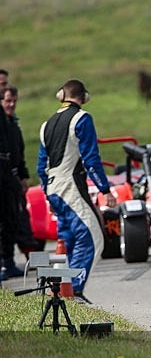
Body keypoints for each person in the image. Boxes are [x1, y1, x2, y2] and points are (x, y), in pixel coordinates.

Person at [37, 79, 116, 299]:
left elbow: (41, 167)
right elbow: (91, 158)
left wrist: (49, 196)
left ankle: (62, 293)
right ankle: (75, 290)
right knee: (93, 236)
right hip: (70, 187)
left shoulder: (47, 124)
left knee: (67, 241)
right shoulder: (82, 119)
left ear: (61, 95)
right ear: (84, 98)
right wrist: (105, 189)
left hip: (53, 189)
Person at [2, 86, 38, 278]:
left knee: (16, 219)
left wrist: (23, 176)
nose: (12, 105)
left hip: (14, 177)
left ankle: (11, 261)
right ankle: (4, 262)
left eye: (14, 101)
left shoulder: (14, 125)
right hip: (4, 176)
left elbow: (19, 153)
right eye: (8, 101)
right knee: (5, 221)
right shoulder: (3, 125)